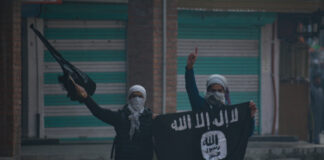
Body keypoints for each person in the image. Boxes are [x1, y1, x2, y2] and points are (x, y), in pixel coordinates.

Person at [68, 78, 154, 160]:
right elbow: (98, 112)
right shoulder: (120, 116)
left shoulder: (151, 118)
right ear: (129, 98)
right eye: (134, 96)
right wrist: (85, 97)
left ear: (145, 98)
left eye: (140, 96)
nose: (137, 99)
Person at [185, 48, 257, 136]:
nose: (216, 93)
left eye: (219, 90)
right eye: (213, 90)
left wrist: (251, 117)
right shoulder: (200, 105)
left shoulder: (230, 113)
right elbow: (191, 90)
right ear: (208, 91)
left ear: (224, 92)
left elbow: (246, 134)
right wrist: (189, 67)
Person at [309, 73, 324, 144]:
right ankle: (313, 139)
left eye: (319, 79)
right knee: (313, 126)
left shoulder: (320, 90)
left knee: (318, 127)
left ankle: (317, 139)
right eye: (317, 79)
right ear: (314, 80)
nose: (319, 80)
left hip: (320, 112)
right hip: (313, 112)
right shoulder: (311, 89)